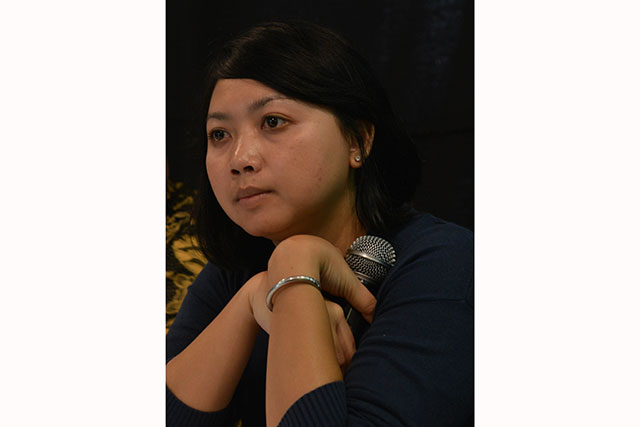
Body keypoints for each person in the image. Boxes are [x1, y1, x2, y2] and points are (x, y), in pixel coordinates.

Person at [166, 21, 473, 426]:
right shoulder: (235, 274)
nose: (240, 158)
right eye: (220, 134)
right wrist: (253, 296)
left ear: (358, 140)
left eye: (273, 122)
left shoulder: (447, 266)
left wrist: (293, 267)